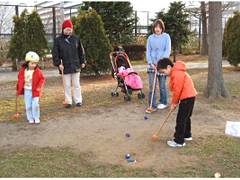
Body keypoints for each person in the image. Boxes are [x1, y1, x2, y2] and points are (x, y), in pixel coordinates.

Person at [157, 58, 197, 148]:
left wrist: (174, 103)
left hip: (187, 98)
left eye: (163, 72)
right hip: (190, 97)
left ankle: (179, 141)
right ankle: (187, 135)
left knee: (181, 120)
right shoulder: (177, 72)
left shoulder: (177, 73)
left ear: (168, 67)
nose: (164, 74)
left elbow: (177, 91)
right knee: (186, 117)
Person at [52, 19, 86, 108]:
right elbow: (55, 53)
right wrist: (58, 63)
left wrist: (82, 61)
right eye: (67, 29)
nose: (68, 31)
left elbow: (81, 51)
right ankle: (68, 101)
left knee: (76, 84)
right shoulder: (58, 40)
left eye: (70, 29)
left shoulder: (76, 39)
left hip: (76, 65)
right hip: (64, 66)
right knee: (66, 85)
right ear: (63, 29)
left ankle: (78, 100)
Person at [146, 19, 171, 113]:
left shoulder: (166, 37)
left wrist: (160, 63)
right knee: (152, 85)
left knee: (162, 85)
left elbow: (167, 50)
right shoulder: (150, 38)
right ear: (154, 28)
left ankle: (163, 102)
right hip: (152, 65)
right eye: (156, 27)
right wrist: (150, 62)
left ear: (162, 28)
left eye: (159, 27)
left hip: (162, 65)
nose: (157, 29)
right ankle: (152, 105)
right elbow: (148, 51)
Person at [17, 51, 45, 124]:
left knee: (35, 105)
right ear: (27, 62)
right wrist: (19, 87)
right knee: (28, 106)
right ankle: (30, 118)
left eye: (35, 63)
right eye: (32, 63)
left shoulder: (38, 71)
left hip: (35, 90)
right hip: (27, 90)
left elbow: (42, 79)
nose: (34, 65)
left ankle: (36, 117)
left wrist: (39, 87)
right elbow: (20, 79)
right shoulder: (23, 70)